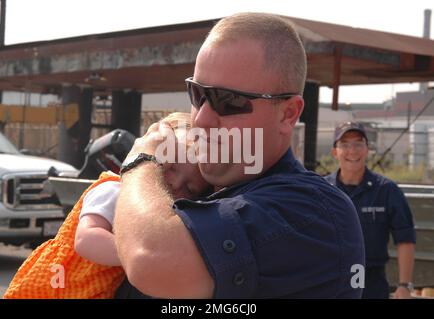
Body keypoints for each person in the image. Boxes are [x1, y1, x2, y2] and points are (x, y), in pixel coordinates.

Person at [114, 12, 365, 299]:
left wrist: (141, 161)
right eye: (197, 94)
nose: (202, 119)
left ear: (288, 113)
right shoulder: (199, 189)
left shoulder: (313, 211)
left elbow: (150, 259)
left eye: (228, 100)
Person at [4, 112, 211, 299]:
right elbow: (87, 239)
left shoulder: (159, 210)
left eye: (190, 188)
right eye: (172, 166)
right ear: (150, 153)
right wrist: (137, 252)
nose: (176, 183)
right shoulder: (115, 190)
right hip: (57, 284)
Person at [324, 121, 416, 299]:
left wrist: (404, 285)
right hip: (330, 282)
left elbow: (405, 239)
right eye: (345, 144)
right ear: (335, 152)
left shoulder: (387, 190)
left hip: (372, 284)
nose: (352, 151)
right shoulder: (322, 190)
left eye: (359, 144)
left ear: (367, 149)